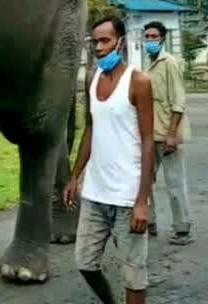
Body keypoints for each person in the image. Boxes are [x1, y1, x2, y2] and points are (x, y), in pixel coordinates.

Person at [65, 16, 155, 304]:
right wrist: (75, 175)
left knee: (134, 276)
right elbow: (91, 129)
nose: (99, 48)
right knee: (85, 263)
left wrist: (142, 201)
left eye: (105, 41)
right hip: (95, 194)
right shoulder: (93, 80)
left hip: (127, 197)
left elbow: (148, 140)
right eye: (95, 42)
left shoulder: (138, 82)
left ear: (122, 42)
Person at [143, 21, 193, 245]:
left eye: (154, 36)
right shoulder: (149, 64)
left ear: (162, 39)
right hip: (150, 134)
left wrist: (172, 134)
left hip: (167, 134)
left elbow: (179, 102)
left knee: (174, 183)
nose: (150, 40)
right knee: (144, 180)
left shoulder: (169, 63)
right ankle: (149, 222)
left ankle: (182, 228)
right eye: (147, 36)